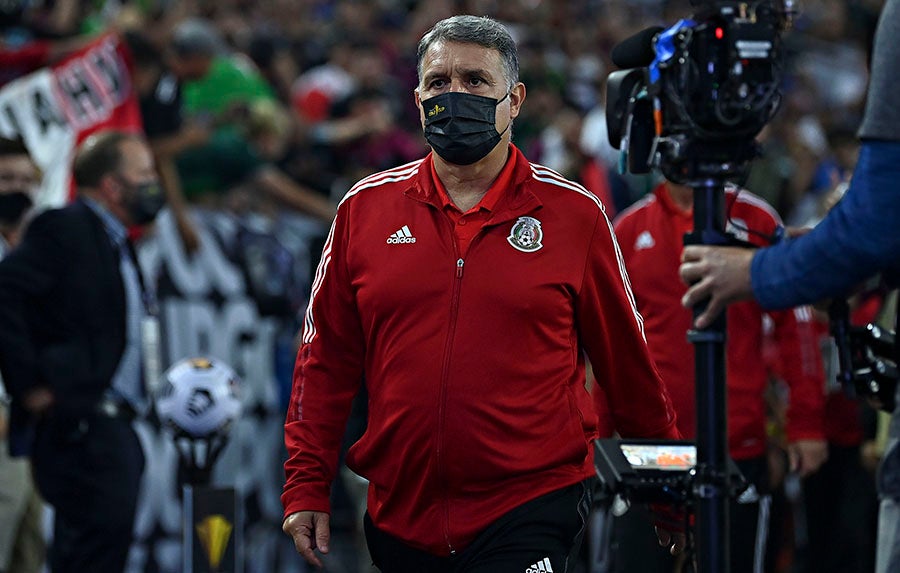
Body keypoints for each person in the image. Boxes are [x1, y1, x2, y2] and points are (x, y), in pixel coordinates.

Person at [282, 15, 681, 573]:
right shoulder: (363, 210)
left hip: (530, 504)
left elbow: (629, 366)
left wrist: (669, 496)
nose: (455, 94)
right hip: (400, 513)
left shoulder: (575, 215)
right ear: (418, 98)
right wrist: (305, 484)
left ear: (514, 100)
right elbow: (323, 362)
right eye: (439, 82)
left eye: (475, 81)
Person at [678, 2, 900, 572]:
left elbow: (873, 228)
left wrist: (753, 273)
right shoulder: (629, 229)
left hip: (749, 446)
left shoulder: (753, 220)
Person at [611, 179, 828, 572]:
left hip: (735, 443)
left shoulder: (754, 220)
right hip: (652, 447)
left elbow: (796, 323)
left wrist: (806, 423)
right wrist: (594, 431)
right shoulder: (628, 228)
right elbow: (606, 342)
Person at [0, 130, 165, 572]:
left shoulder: (115, 240)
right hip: (83, 423)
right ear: (112, 185)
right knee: (89, 556)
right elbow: (6, 290)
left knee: (104, 552)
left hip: (112, 423)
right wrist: (30, 383)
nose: (155, 183)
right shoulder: (66, 227)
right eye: (145, 173)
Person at [0, 139, 45, 573]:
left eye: (25, 180)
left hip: (31, 427)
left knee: (30, 554)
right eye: (5, 179)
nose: (16, 189)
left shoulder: (34, 249)